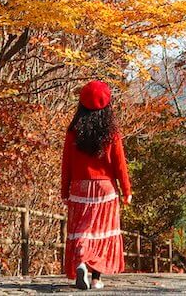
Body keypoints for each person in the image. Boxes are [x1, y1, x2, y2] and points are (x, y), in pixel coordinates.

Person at [62, 80, 131, 290]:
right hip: (105, 188)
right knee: (102, 230)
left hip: (79, 187)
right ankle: (96, 279)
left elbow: (66, 164)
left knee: (81, 229)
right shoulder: (111, 134)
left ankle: (81, 261)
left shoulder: (73, 133)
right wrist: (126, 190)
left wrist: (64, 191)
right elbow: (120, 165)